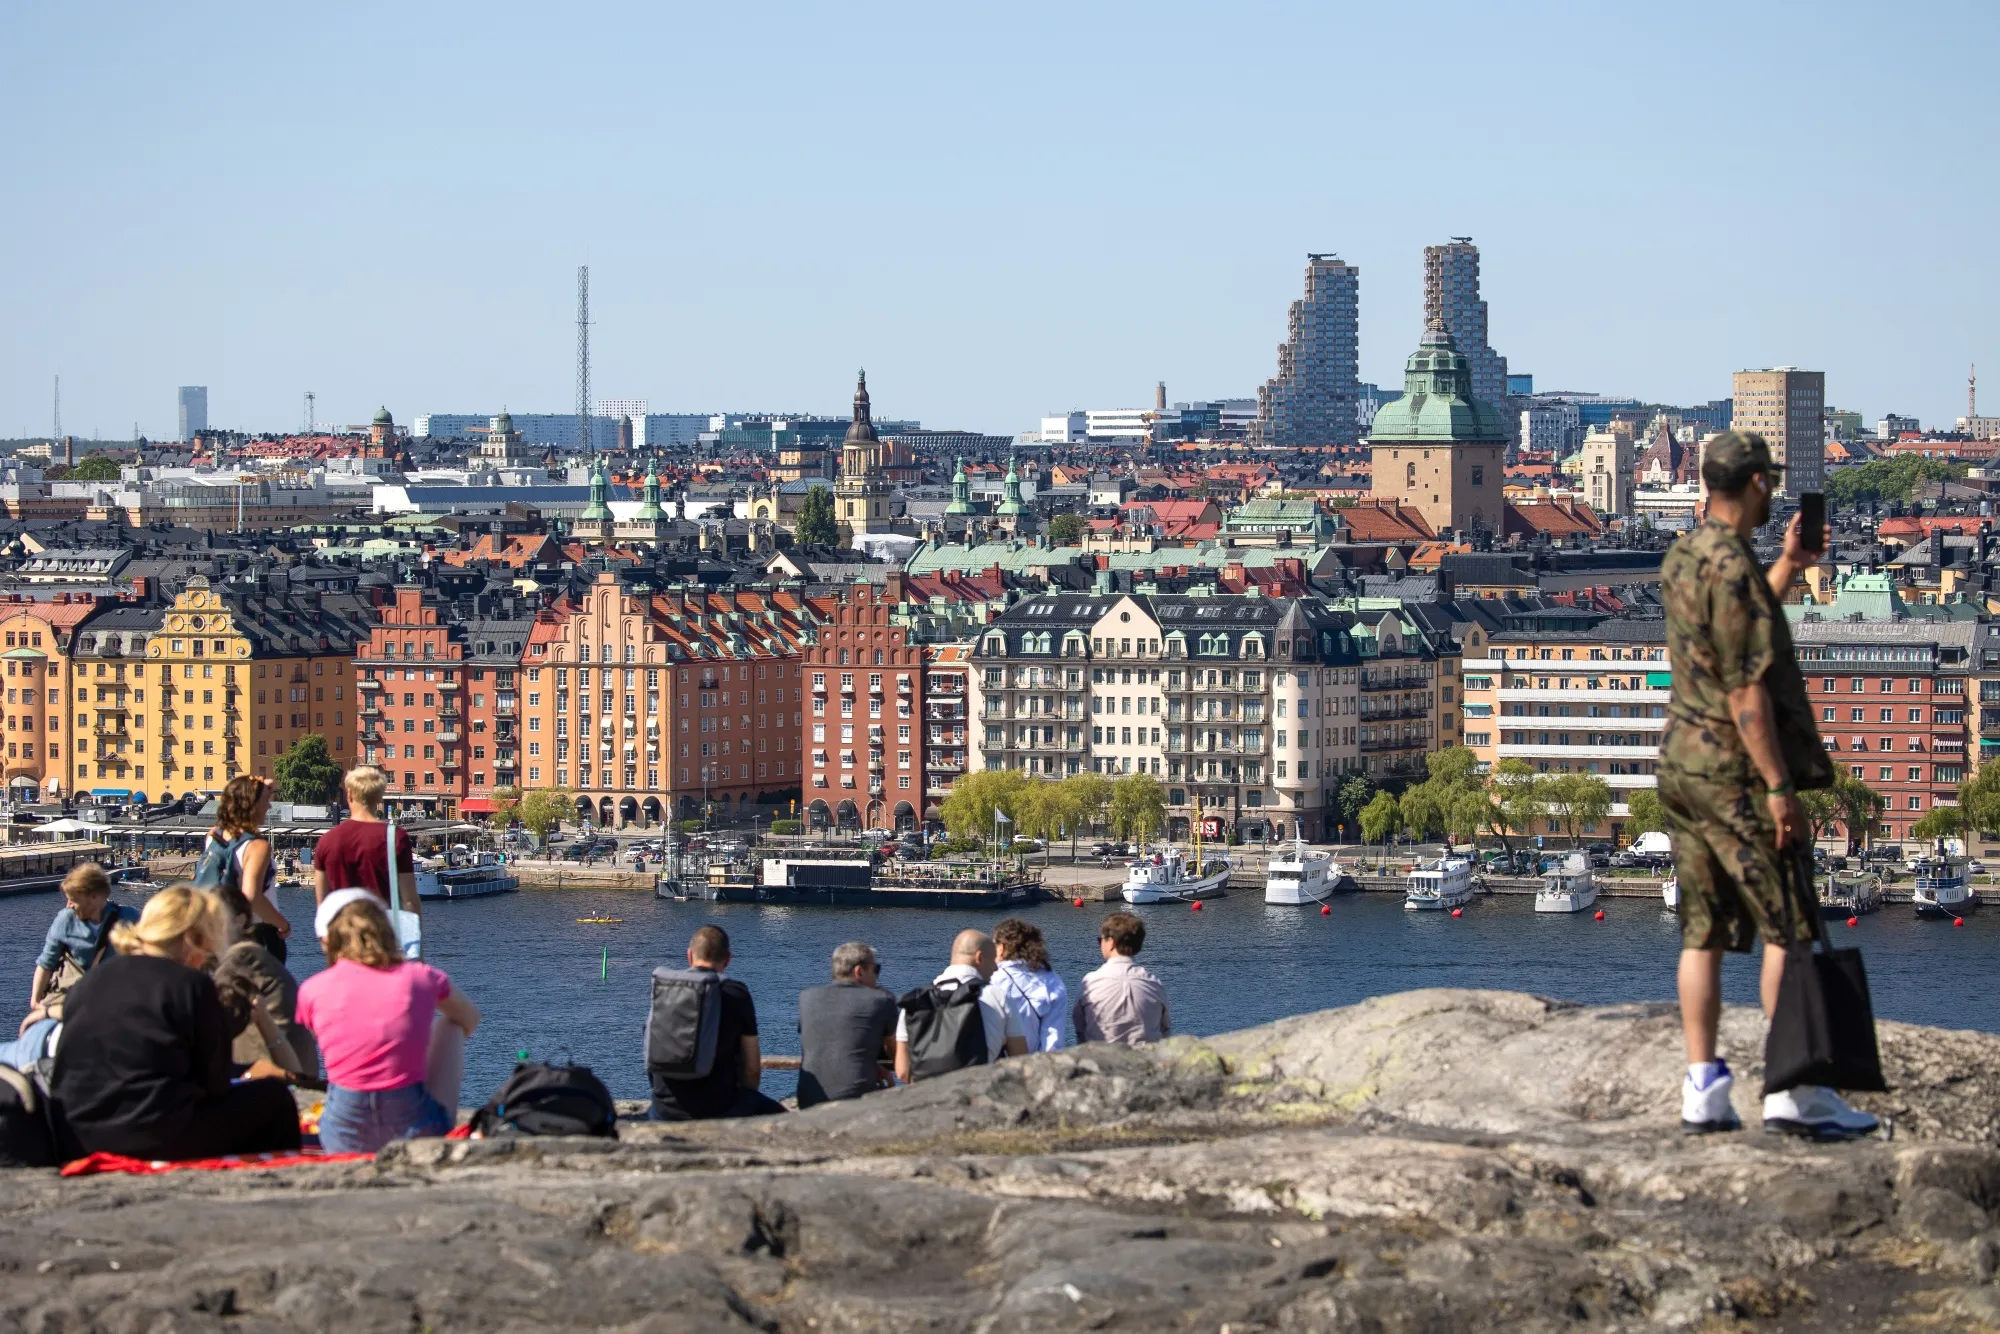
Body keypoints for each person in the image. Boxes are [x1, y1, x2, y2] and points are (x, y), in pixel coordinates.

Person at [1660, 430, 1877, 1140]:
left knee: (1703, 932)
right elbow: (1747, 690)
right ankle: (1794, 1088)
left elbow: (1740, 630)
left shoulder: (1689, 556)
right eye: (1769, 483)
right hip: (1736, 773)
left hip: (1681, 767)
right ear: (1756, 484)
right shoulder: (1732, 566)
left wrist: (1788, 563)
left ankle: (1704, 1089)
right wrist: (1781, 787)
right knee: (1788, 923)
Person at [48, 886, 301, 1162]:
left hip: (75, 1135)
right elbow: (215, 1084)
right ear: (193, 939)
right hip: (153, 1136)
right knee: (276, 1100)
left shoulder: (89, 983)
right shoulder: (192, 986)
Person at [296, 891, 479, 1152]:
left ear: (330, 940)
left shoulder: (312, 989)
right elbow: (470, 1018)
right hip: (417, 1130)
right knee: (449, 1025)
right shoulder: (421, 977)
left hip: (342, 1135)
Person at [649, 925, 784, 1121]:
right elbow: (752, 1069)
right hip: (719, 1107)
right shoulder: (736, 993)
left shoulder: (664, 987)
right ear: (728, 959)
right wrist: (747, 1097)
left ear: (689, 955)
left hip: (663, 1109)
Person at [894, 929, 1028, 1081]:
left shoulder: (916, 1000)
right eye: (993, 960)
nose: (996, 968)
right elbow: (1021, 1060)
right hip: (977, 1095)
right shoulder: (998, 997)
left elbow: (903, 1071)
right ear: (979, 958)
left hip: (925, 1099)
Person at [24, 864, 137, 1031]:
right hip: (74, 995)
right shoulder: (65, 920)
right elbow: (46, 963)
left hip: (115, 996)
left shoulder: (129, 917)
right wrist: (35, 1001)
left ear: (95, 897)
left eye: (74, 900)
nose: (69, 905)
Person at [193, 774, 291, 959]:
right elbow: (252, 896)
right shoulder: (257, 846)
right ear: (252, 805)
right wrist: (282, 924)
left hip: (220, 933)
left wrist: (262, 786)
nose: (269, 806)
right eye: (265, 801)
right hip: (256, 935)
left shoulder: (215, 836)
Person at [796, 941, 897, 1108]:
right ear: (859, 971)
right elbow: (897, 1055)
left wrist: (870, 1066)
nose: (877, 976)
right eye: (876, 970)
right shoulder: (881, 1000)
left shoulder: (807, 998)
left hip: (809, 1098)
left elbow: (830, 1039)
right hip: (856, 1100)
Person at [311, 766, 419, 921]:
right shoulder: (396, 838)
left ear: (349, 795)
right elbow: (410, 901)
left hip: (342, 934)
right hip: (383, 933)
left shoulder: (327, 840)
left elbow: (322, 905)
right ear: (379, 798)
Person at [1073, 913, 1170, 1046]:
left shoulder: (1090, 984)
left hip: (1101, 1060)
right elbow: (1165, 1031)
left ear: (1111, 943)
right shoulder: (1154, 984)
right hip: (1145, 1062)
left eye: (1100, 940)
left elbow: (1080, 1030)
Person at [992, 918, 1067, 1053]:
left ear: (1001, 948)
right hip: (1036, 1065)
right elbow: (1052, 1043)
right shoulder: (1052, 981)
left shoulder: (993, 978)